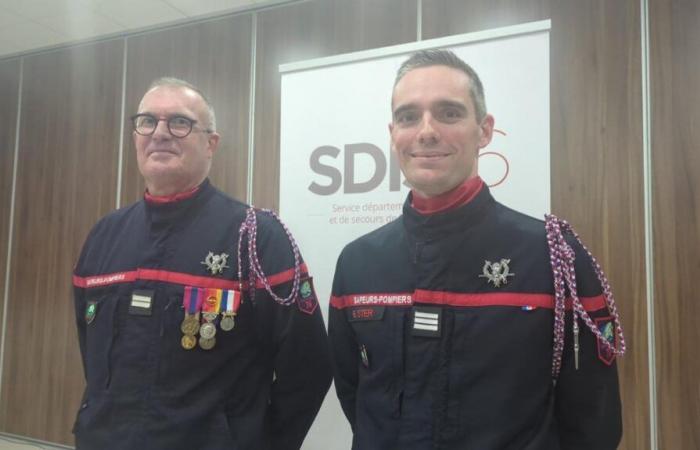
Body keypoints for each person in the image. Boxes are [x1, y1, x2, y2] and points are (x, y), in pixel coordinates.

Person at [328, 50, 625, 450]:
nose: (426, 131)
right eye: (408, 116)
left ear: (484, 130)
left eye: (449, 113)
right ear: (393, 132)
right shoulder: (358, 262)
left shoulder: (552, 256)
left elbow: (594, 419)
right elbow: (355, 394)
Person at [72, 77, 332, 450]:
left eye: (179, 122)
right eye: (147, 121)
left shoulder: (256, 236)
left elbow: (308, 369)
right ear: (135, 137)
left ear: (211, 143)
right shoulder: (104, 236)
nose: (160, 133)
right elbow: (92, 356)